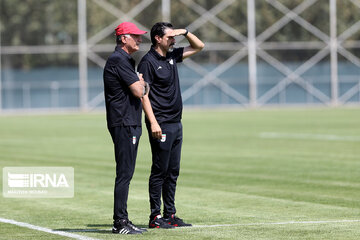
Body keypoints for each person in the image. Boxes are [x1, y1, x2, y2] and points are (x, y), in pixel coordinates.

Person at [138, 22, 204, 228]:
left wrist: (184, 31)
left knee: (173, 171)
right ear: (157, 38)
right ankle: (155, 217)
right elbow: (143, 95)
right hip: (161, 123)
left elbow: (199, 46)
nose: (174, 40)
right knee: (160, 170)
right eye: (170, 37)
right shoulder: (148, 62)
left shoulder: (172, 56)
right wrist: (153, 122)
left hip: (176, 122)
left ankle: (170, 214)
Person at [103, 22, 150, 235]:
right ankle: (119, 222)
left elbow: (140, 88)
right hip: (124, 122)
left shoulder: (125, 60)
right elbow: (138, 91)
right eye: (136, 36)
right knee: (124, 173)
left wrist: (141, 84)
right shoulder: (118, 60)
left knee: (127, 172)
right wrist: (141, 84)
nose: (140, 40)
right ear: (124, 38)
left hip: (129, 122)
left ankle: (123, 219)